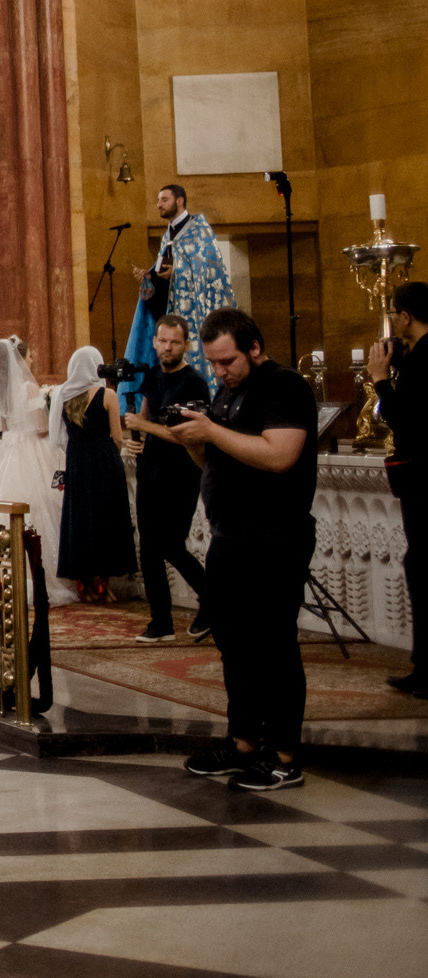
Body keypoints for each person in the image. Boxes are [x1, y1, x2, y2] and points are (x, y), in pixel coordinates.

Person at [168, 308, 320, 791]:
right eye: (213, 363)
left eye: (227, 361)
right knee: (234, 645)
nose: (220, 372)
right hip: (230, 537)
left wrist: (211, 431)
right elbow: (214, 459)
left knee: (273, 645)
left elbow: (280, 456)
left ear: (254, 347)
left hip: (275, 538)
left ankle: (284, 754)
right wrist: (194, 437)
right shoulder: (229, 390)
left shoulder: (285, 386)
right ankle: (243, 743)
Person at [0, 337, 73, 601]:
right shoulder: (28, 387)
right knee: (42, 504)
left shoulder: (0, 389)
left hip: (6, 448)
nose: (32, 360)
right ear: (19, 360)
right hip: (33, 448)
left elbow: (4, 428)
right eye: (29, 356)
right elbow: (41, 427)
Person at [125, 313, 211, 643]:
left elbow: (188, 435)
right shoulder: (152, 377)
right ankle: (161, 622)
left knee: (171, 546)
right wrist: (134, 438)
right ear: (154, 342)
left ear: (186, 345)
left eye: (175, 342)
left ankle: (211, 600)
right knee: (148, 549)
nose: (167, 347)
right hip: (150, 470)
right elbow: (144, 415)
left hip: (182, 474)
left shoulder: (194, 382)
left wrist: (143, 426)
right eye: (162, 341)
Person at [368, 281, 426, 695]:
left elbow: (406, 421)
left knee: (423, 572)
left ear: (405, 316)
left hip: (424, 482)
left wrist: (381, 380)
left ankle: (426, 671)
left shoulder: (422, 361)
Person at [125, 183, 237, 392]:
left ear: (179, 201)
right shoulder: (167, 236)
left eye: (164, 200)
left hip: (195, 316)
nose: (159, 205)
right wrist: (149, 277)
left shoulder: (199, 231)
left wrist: (177, 273)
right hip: (174, 315)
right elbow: (163, 273)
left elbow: (209, 272)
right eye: (158, 200)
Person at [52, 347, 135, 602]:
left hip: (76, 462)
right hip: (104, 462)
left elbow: (59, 438)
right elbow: (118, 437)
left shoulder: (63, 396)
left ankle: (83, 583)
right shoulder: (107, 394)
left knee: (81, 518)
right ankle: (103, 584)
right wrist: (111, 455)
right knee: (106, 518)